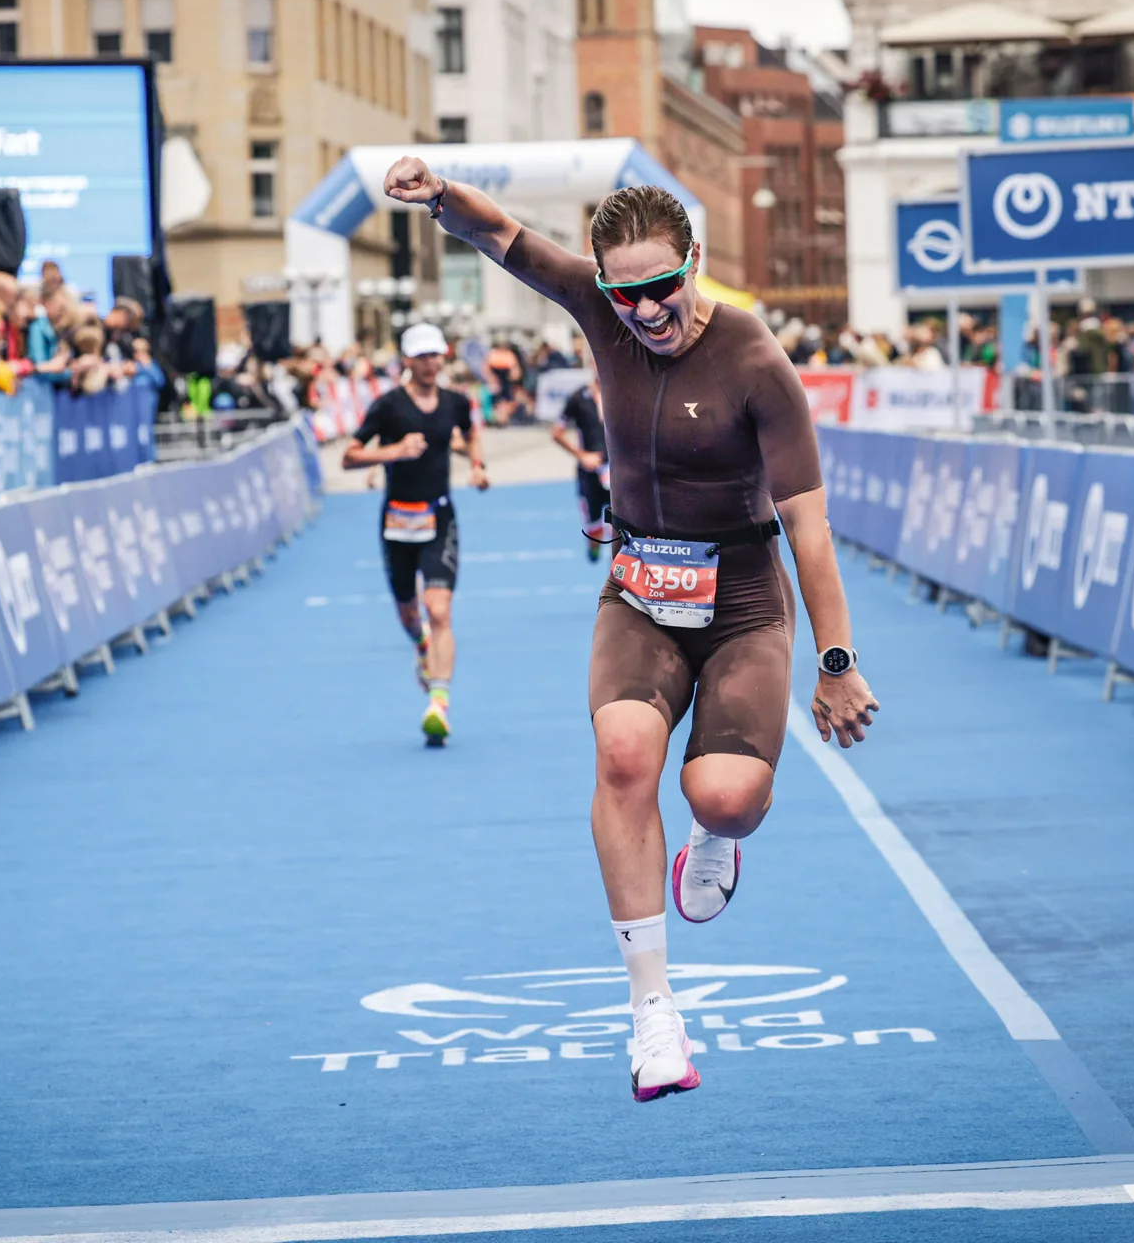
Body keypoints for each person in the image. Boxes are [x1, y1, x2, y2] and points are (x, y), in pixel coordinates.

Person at [384, 158, 879, 1102]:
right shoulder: (602, 306)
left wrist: (837, 660)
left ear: (693, 262)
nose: (645, 311)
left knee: (725, 796)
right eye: (624, 293)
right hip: (641, 590)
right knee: (622, 756)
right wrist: (440, 193)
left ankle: (716, 837)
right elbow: (503, 238)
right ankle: (653, 1013)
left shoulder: (755, 361)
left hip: (742, 601)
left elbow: (809, 528)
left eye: (661, 288)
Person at [342, 321, 490, 745]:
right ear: (407, 360)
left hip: (440, 516)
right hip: (397, 521)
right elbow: (349, 456)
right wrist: (394, 452)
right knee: (410, 615)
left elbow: (471, 435)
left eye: (436, 355)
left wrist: (476, 466)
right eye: (422, 356)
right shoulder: (388, 406)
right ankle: (422, 645)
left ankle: (438, 703)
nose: (431, 363)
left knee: (438, 609)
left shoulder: (455, 402)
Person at [552, 375, 610, 561]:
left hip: (615, 471)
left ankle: (617, 571)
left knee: (620, 528)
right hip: (589, 472)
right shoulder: (578, 397)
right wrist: (582, 455)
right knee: (594, 530)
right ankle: (594, 546)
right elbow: (557, 433)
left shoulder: (620, 393)